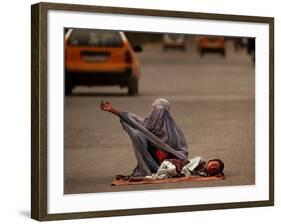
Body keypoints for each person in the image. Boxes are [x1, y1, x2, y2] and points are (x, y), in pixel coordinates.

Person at [100, 98, 188, 178]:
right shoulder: (148, 124)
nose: (156, 114)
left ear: (165, 114)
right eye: (154, 110)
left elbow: (181, 152)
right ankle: (146, 168)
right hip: (152, 162)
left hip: (168, 164)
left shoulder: (174, 132)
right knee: (137, 134)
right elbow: (133, 119)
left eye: (159, 112)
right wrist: (112, 110)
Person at [131, 156, 224, 181]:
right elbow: (185, 170)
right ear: (210, 161)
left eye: (215, 169)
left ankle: (141, 179)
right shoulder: (199, 160)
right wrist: (189, 177)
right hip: (171, 164)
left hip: (174, 173)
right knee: (171, 171)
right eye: (214, 164)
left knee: (161, 178)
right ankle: (151, 175)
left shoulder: (204, 175)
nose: (213, 167)